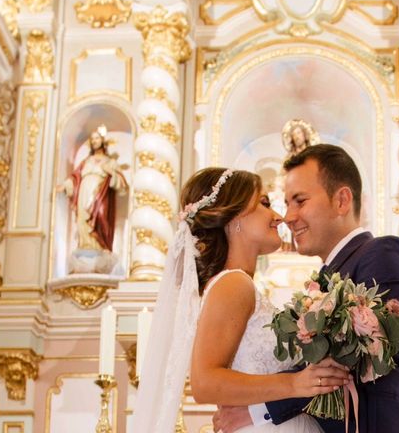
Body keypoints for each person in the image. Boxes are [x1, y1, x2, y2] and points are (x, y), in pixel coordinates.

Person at [214, 144, 399, 433]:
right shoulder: (324, 280)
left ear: (342, 201)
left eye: (299, 201)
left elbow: (364, 355)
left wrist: (260, 410)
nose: (287, 216)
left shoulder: (384, 253)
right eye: (286, 203)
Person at [130, 167, 350, 432]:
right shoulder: (234, 284)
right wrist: (294, 384)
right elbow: (205, 383)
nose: (278, 217)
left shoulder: (237, 285)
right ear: (233, 217)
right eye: (264, 203)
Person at [61, 126, 128, 252]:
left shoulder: (110, 162)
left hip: (101, 194)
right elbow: (75, 177)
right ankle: (85, 246)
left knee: (101, 216)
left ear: (102, 140)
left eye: (97, 138)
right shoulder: (86, 161)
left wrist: (112, 173)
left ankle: (100, 247)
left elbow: (122, 184)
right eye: (92, 139)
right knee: (83, 218)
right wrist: (66, 185)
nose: (94, 141)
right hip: (84, 192)